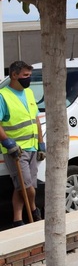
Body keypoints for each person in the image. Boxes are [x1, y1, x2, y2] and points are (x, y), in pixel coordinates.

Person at [0, 61, 45, 227]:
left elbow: (36, 120)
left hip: (32, 146)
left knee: (22, 186)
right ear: (14, 75)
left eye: (30, 75)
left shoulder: (29, 93)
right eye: (25, 76)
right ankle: (34, 209)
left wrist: (41, 143)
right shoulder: (3, 96)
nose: (29, 79)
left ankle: (17, 220)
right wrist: (7, 141)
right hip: (16, 150)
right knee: (26, 185)